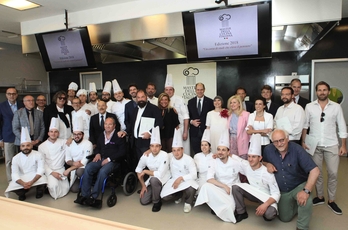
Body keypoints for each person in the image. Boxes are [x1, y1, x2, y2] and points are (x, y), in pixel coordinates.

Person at [302, 81, 347, 215]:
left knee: (333, 173)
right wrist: (304, 141)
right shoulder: (310, 106)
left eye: (324, 90)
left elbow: (342, 126)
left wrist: (343, 145)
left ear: (328, 91)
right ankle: (320, 197)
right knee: (317, 173)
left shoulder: (336, 107)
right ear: (316, 92)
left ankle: (331, 200)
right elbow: (305, 125)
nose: (322, 92)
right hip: (314, 145)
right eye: (320, 90)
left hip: (331, 144)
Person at [263, 129, 319, 230]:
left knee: (306, 201)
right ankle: (295, 205)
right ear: (272, 142)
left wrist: (306, 191)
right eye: (276, 141)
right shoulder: (268, 150)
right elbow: (263, 162)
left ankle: (302, 227)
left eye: (282, 140)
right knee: (285, 218)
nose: (279, 144)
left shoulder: (297, 149)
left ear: (287, 139)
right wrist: (267, 164)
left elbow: (315, 171)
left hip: (298, 184)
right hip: (282, 190)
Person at [77, 117, 126, 207]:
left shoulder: (119, 136)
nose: (107, 126)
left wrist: (109, 159)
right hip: (101, 158)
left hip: (114, 161)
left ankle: (94, 196)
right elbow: (98, 147)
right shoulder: (101, 135)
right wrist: (98, 153)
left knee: (102, 171)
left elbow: (122, 152)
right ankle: (85, 195)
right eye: (106, 124)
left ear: (114, 126)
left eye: (110, 124)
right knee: (88, 168)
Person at [195, 129, 241, 223]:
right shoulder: (213, 161)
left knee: (229, 209)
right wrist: (223, 186)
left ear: (228, 152)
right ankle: (217, 206)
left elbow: (247, 166)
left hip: (231, 190)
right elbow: (209, 179)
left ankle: (217, 206)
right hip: (220, 188)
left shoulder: (235, 162)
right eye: (219, 149)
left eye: (223, 150)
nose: (220, 152)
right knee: (206, 186)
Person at [231, 134, 280, 223]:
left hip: (265, 197)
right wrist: (219, 154)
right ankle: (241, 212)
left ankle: (265, 210)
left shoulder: (267, 173)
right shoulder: (246, 165)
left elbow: (276, 193)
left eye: (254, 157)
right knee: (235, 187)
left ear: (260, 158)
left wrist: (265, 205)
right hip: (252, 193)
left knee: (270, 214)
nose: (250, 159)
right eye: (249, 156)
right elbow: (236, 158)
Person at [161, 128, 198, 213]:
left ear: (182, 150)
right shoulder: (169, 156)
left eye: (178, 150)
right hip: (173, 180)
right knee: (164, 196)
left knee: (192, 188)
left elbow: (194, 175)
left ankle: (188, 203)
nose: (176, 153)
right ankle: (179, 195)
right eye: (174, 150)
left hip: (186, 180)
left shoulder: (189, 159)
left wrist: (181, 178)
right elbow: (158, 153)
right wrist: (148, 150)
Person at [4, 127, 47, 201]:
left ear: (31, 146)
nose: (25, 148)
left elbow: (41, 169)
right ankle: (22, 193)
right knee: (12, 186)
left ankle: (39, 191)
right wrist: (23, 183)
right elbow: (14, 174)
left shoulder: (38, 154)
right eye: (23, 146)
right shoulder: (15, 158)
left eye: (28, 145)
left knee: (44, 179)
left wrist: (32, 182)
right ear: (20, 147)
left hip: (35, 175)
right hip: (22, 177)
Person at [135, 126, 170, 212]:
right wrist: (143, 185)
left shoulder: (164, 155)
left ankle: (157, 202)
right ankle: (156, 192)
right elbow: (138, 170)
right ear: (149, 147)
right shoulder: (146, 156)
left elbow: (160, 174)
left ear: (160, 147)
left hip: (165, 179)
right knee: (144, 201)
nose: (154, 148)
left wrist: (146, 171)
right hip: (152, 180)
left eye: (157, 146)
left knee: (154, 180)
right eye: (152, 146)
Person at [121, 90, 163, 160]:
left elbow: (160, 123)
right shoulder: (135, 110)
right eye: (138, 97)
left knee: (147, 163)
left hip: (147, 143)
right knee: (138, 163)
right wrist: (125, 132)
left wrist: (150, 133)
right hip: (135, 142)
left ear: (146, 97)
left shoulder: (154, 109)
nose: (141, 99)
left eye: (142, 97)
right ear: (136, 99)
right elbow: (132, 124)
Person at [39, 118, 70, 199]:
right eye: (51, 132)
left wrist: (71, 138)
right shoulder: (42, 146)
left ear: (58, 133)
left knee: (66, 188)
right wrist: (52, 173)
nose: (53, 133)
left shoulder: (63, 142)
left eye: (55, 132)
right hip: (50, 170)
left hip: (61, 169)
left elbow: (72, 143)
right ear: (48, 133)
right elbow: (43, 163)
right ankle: (47, 184)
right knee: (54, 187)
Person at [0, 87, 24, 182]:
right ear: (6, 95)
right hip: (7, 136)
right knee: (9, 160)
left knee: (21, 158)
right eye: (9, 94)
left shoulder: (22, 105)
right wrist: (0, 139)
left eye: (13, 94)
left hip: (21, 136)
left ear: (17, 95)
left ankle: (21, 178)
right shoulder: (1, 106)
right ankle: (11, 180)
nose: (11, 95)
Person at [64, 119, 93, 192]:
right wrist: (73, 163)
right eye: (75, 134)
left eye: (79, 134)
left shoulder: (88, 144)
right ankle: (81, 181)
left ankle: (89, 184)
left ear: (83, 135)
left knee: (79, 172)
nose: (77, 136)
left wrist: (69, 169)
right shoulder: (69, 144)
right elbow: (67, 159)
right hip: (75, 167)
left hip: (84, 168)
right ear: (73, 135)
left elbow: (83, 162)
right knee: (74, 190)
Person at [164, 74, 190, 155]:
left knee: (183, 150)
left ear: (173, 90)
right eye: (167, 89)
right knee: (172, 151)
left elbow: (186, 116)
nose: (168, 91)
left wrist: (185, 131)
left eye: (170, 89)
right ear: (164, 90)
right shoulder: (162, 100)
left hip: (180, 129)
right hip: (168, 132)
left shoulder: (180, 100)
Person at [188, 82, 214, 154]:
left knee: (207, 151)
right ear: (195, 90)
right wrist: (191, 122)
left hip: (205, 131)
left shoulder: (210, 102)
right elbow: (188, 116)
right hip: (194, 132)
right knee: (196, 151)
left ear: (204, 90)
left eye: (201, 89)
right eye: (198, 89)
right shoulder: (190, 102)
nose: (199, 91)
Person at [227, 95, 250, 159]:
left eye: (234, 102)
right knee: (233, 159)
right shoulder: (229, 114)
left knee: (242, 160)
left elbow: (249, 130)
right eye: (231, 103)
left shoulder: (246, 114)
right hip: (231, 140)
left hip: (242, 140)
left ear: (239, 104)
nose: (232, 104)